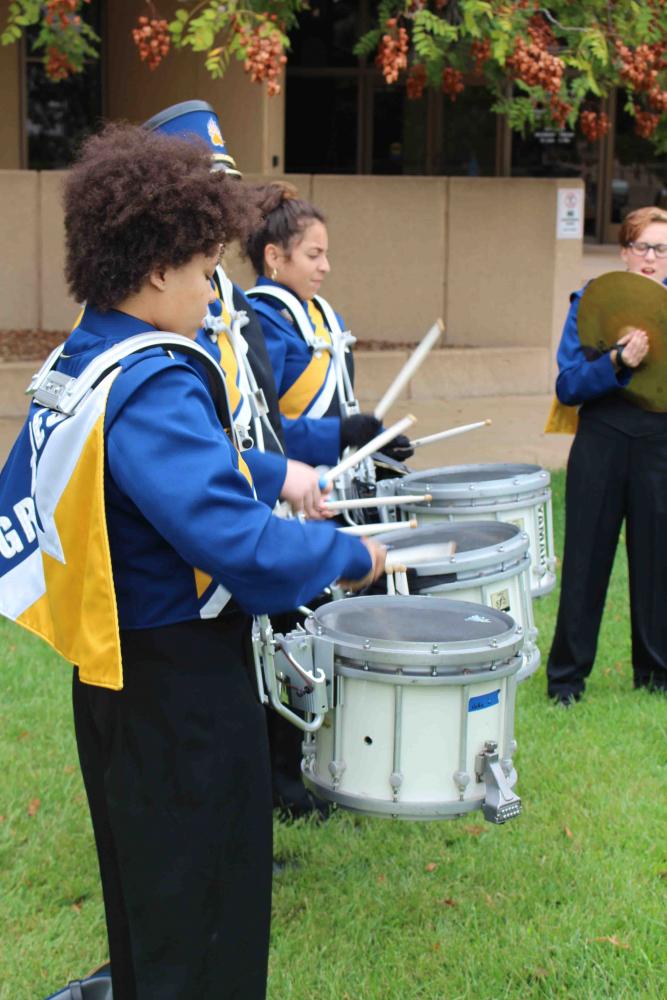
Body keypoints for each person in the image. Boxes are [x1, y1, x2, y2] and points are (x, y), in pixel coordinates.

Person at [0, 123, 385, 1000]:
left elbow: (163, 469)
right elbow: (230, 539)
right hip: (175, 686)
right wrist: (349, 553)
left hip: (113, 672)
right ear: (155, 268)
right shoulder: (156, 376)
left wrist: (273, 469)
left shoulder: (84, 355)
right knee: (203, 919)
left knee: (151, 908)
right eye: (207, 270)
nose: (216, 294)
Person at [547, 206, 667, 704]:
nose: (653, 259)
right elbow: (568, 385)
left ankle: (657, 676)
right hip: (601, 437)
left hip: (660, 445)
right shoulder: (590, 302)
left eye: (663, 250)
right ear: (624, 252)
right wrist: (617, 360)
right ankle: (567, 680)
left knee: (658, 561)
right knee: (585, 559)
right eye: (644, 247)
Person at [243, 182, 414, 468]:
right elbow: (260, 430)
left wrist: (375, 439)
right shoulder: (258, 323)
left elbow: (336, 408)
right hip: (293, 492)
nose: (325, 266)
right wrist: (340, 434)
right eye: (313, 255)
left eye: (325, 254)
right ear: (273, 256)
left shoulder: (325, 317)